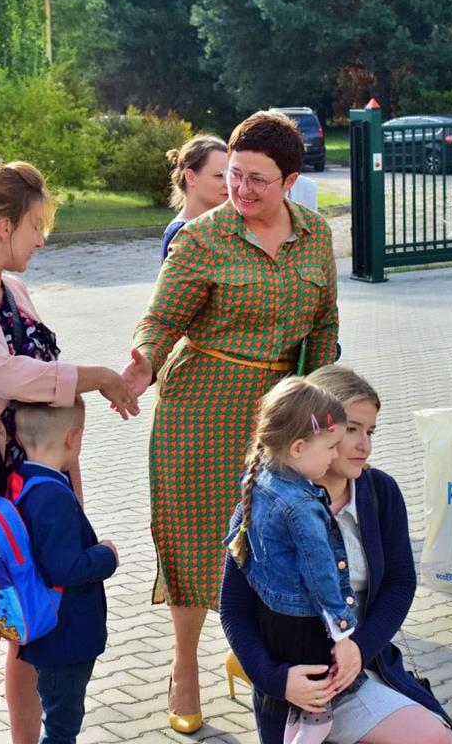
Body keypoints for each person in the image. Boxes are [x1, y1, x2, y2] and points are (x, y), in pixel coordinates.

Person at [123, 111, 339, 733]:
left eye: (257, 180)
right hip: (201, 407)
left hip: (281, 413)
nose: (240, 189)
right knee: (196, 539)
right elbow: (160, 321)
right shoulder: (201, 238)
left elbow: (325, 321)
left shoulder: (316, 236)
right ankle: (183, 666)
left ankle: (256, 653)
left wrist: (319, 400)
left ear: (291, 181)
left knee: (275, 535)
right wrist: (140, 366)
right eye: (235, 175)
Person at [0, 161, 137, 744]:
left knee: (33, 633)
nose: (42, 239)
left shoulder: (14, 292)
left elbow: (36, 387)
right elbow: (11, 375)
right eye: (36, 225)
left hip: (32, 491)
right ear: (4, 226)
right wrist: (97, 376)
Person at [220, 366, 452, 744]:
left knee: (438, 737)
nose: (365, 445)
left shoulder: (380, 491)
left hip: (367, 664)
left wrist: (360, 650)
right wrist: (274, 679)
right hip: (303, 687)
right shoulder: (267, 503)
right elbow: (235, 610)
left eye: (370, 431)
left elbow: (399, 584)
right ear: (310, 433)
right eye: (351, 430)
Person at [223, 379, 357, 744]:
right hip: (304, 625)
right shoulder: (300, 506)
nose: (334, 456)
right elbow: (321, 575)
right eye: (330, 447)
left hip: (272, 622)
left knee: (291, 708)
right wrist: (343, 633)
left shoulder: (261, 481)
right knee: (317, 707)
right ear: (298, 447)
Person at [11, 399, 119, 744]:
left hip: (46, 631)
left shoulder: (21, 482)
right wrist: (106, 555)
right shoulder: (53, 495)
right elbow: (64, 568)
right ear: (73, 437)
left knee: (59, 720)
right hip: (64, 637)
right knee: (61, 729)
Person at [162, 135, 229, 259]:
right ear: (191, 177)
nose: (228, 183)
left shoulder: (220, 226)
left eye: (230, 176)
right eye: (219, 176)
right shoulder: (182, 233)